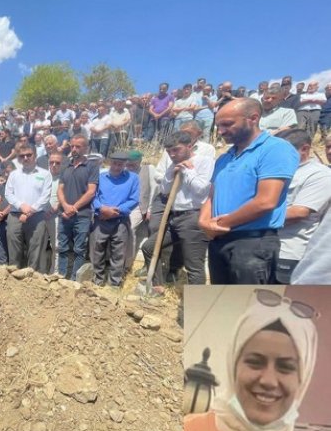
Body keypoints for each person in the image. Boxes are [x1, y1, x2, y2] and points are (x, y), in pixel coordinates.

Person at [184, 290, 320, 431]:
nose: (268, 381)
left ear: (302, 378)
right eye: (255, 362)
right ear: (233, 365)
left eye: (285, 367)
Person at [199, 98, 299, 284]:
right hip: (219, 241)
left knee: (251, 309)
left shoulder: (275, 149)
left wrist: (220, 224)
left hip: (253, 244)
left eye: (228, 124)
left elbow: (266, 202)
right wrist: (204, 222)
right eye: (218, 125)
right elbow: (212, 196)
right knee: (221, 306)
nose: (221, 131)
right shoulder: (224, 158)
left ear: (253, 118)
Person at [141, 132, 213, 292]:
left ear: (189, 146)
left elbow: (202, 190)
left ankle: (197, 305)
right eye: (169, 152)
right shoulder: (173, 164)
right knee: (148, 247)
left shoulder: (204, 162)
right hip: (174, 217)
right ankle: (157, 287)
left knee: (193, 265)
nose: (172, 154)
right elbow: (165, 190)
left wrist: (188, 171)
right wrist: (170, 173)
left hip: (194, 217)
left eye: (176, 150)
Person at [275, 129, 331, 284]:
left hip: (290, 252)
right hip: (266, 248)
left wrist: (248, 217)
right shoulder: (276, 171)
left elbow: (299, 212)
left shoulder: (319, 174)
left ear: (304, 149)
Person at [91, 152, 139, 287]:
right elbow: (92, 196)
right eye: (115, 163)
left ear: (125, 165)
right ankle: (98, 280)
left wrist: (114, 212)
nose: (117, 167)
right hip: (101, 219)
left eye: (120, 164)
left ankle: (114, 284)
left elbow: (134, 199)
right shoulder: (100, 177)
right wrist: (101, 208)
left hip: (120, 221)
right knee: (97, 250)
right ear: (109, 162)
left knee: (118, 253)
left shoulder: (133, 178)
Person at [56, 135, 99, 280]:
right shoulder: (65, 165)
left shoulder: (92, 166)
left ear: (86, 148)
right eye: (72, 146)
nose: (74, 149)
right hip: (64, 214)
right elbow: (60, 189)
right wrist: (65, 206)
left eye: (78, 146)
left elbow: (91, 191)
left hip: (82, 216)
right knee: (62, 247)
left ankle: (75, 279)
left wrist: (73, 208)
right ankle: (61, 276)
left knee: (79, 249)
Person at [4, 143, 52, 271]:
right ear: (19, 158)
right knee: (14, 252)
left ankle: (33, 282)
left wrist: (30, 210)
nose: (25, 158)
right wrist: (21, 206)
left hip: (37, 217)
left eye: (29, 155)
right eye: (22, 156)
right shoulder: (14, 175)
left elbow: (45, 196)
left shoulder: (45, 174)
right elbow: (8, 194)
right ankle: (14, 281)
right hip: (15, 216)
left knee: (36, 251)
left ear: (35, 155)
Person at [125, 150, 157, 273]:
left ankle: (127, 264)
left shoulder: (149, 169)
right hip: (126, 205)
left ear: (139, 162)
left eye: (132, 164)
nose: (129, 167)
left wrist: (150, 209)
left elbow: (154, 189)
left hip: (139, 206)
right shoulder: (124, 171)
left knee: (130, 229)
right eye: (128, 164)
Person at [0, 163, 14, 265]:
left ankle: (12, 264)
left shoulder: (18, 186)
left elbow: (14, 203)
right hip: (0, 219)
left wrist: (3, 213)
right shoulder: (3, 186)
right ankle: (2, 264)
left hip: (11, 218)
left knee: (11, 243)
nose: (8, 173)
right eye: (7, 172)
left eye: (10, 171)